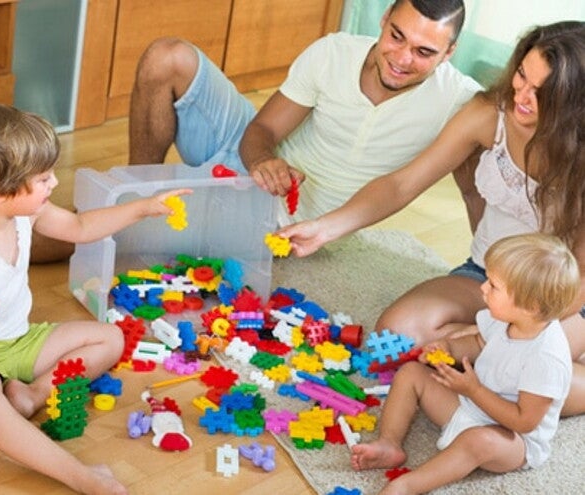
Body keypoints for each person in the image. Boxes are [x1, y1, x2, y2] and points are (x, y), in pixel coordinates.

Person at [277, 21, 585, 414]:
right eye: (521, 76)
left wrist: (493, 334)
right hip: (486, 277)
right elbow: (403, 184)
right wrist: (325, 228)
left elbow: (578, 285)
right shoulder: (488, 115)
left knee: (503, 373)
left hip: (558, 302)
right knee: (397, 336)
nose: (521, 96)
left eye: (541, 94)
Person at [0, 104, 191, 495]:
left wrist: (143, 208)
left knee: (110, 338)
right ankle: (81, 476)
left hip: (17, 341)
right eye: (44, 178)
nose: (53, 184)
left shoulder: (25, 213)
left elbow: (82, 227)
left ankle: (31, 395)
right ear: (1, 192)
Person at [128, 0, 481, 218]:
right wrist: (264, 160)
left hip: (280, 211)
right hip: (249, 155)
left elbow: (491, 174)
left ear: (449, 53)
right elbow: (261, 131)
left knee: (86, 234)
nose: (401, 59)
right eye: (396, 36)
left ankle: (118, 218)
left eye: (424, 52)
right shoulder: (333, 52)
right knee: (167, 56)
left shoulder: (460, 100)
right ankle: (132, 192)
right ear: (385, 17)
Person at [351, 233, 579, 495]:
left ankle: (407, 486)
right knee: (412, 372)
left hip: (512, 440)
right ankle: (389, 443)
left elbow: (524, 422)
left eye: (493, 285)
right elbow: (480, 343)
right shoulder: (504, 318)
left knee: (478, 441)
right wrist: (448, 349)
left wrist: (474, 390)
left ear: (529, 306)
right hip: (471, 405)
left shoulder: (546, 358)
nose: (483, 287)